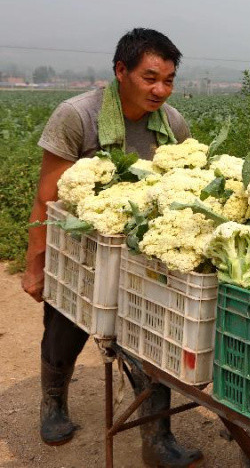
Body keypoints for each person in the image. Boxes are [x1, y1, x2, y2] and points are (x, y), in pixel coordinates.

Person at [21, 28, 203, 467]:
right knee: (65, 328)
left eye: (169, 80)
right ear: (121, 71)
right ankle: (53, 402)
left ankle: (157, 438)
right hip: (80, 251)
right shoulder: (77, 116)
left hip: (140, 253)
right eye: (150, 77)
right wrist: (35, 265)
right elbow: (47, 194)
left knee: (155, 337)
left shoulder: (172, 124)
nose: (161, 90)